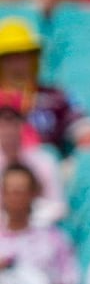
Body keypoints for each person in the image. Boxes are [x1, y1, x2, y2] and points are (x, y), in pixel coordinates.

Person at [0, 17, 90, 158]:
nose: (17, 64)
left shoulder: (56, 96)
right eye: (9, 58)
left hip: (49, 171)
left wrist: (86, 136)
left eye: (25, 56)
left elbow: (86, 128)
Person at [0, 163, 79, 284]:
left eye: (20, 191)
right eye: (9, 191)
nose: (14, 197)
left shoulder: (55, 238)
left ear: (33, 194)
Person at [0, 89, 67, 225]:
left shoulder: (45, 160)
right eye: (3, 125)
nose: (8, 131)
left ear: (22, 126)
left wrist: (27, 221)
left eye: (13, 123)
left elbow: (59, 206)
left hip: (38, 229)